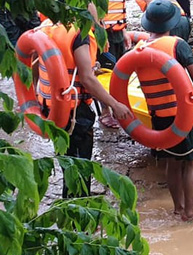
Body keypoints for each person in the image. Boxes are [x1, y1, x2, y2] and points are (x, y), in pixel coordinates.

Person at [137, 0, 193, 222]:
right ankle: (190, 213)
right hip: (181, 115)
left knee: (173, 162)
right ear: (171, 23)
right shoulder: (177, 45)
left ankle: (178, 209)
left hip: (159, 117)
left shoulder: (139, 48)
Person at [36, 20, 133, 197]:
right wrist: (114, 105)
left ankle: (71, 211)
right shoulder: (79, 35)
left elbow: (37, 63)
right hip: (74, 112)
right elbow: (87, 79)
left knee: (67, 163)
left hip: (51, 108)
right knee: (79, 167)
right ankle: (80, 217)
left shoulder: (46, 26)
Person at [84, 0, 129, 128]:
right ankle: (105, 112)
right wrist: (99, 29)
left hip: (117, 31)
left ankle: (117, 106)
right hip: (104, 33)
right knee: (104, 71)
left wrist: (125, 31)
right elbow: (89, 0)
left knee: (118, 71)